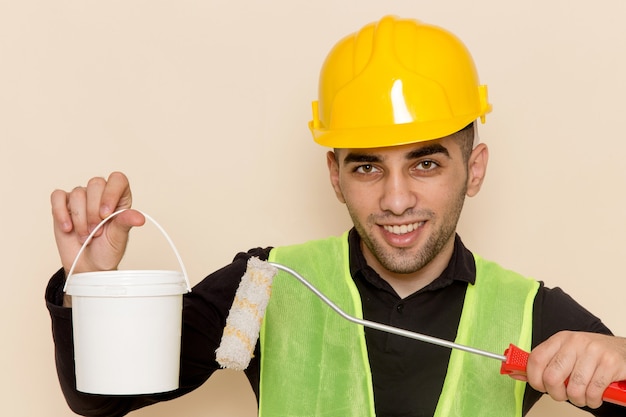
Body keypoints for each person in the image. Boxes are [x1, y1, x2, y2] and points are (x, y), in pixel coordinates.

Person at [46, 15, 626, 417]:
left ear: (474, 170)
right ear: (334, 175)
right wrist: (91, 289)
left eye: (425, 163)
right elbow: (98, 398)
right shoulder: (264, 285)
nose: (396, 200)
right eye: (368, 168)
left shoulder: (534, 311)